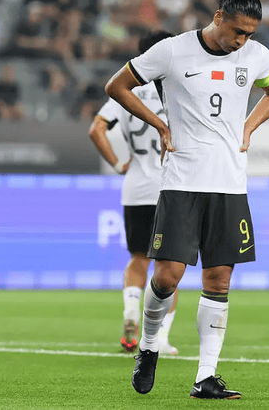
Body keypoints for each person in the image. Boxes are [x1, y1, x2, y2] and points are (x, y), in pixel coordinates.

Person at [105, 0, 269, 400]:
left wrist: (249, 127)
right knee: (167, 277)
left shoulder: (257, 56)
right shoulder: (172, 50)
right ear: (218, 16)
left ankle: (206, 377)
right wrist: (160, 124)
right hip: (182, 182)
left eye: (250, 34)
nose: (241, 41)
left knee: (219, 279)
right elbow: (116, 86)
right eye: (237, 31)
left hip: (230, 184)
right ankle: (149, 345)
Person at [89, 30, 179, 355]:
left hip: (136, 186)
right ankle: (160, 338)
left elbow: (96, 129)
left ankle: (131, 313)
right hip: (171, 188)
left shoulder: (127, 91)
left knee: (138, 258)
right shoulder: (177, 88)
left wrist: (117, 164)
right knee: (170, 264)